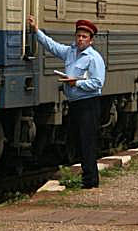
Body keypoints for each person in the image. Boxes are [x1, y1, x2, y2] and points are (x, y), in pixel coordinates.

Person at [27, 14, 106, 189]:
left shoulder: (93, 58)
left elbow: (98, 83)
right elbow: (52, 46)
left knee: (87, 142)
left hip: (88, 104)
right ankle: (87, 178)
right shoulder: (70, 52)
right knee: (78, 141)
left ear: (91, 40)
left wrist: (75, 82)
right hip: (75, 104)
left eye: (84, 37)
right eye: (78, 36)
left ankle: (91, 181)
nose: (80, 39)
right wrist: (36, 31)